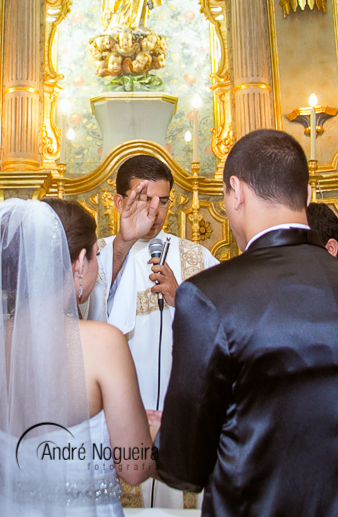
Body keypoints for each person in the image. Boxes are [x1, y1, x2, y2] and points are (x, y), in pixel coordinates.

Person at [156, 129, 338, 517]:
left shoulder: (209, 297)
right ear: (307, 195)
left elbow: (185, 466)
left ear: (236, 191)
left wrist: (161, 433)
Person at [0, 199, 154, 517]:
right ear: (79, 263)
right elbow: (134, 468)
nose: (98, 267)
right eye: (96, 255)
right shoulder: (104, 343)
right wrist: (154, 432)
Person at [82, 154, 219, 507]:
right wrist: (123, 245)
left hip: (181, 417)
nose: (156, 212)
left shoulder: (197, 258)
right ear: (118, 202)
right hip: (118, 419)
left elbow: (226, 333)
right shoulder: (96, 255)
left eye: (164, 201)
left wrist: (182, 299)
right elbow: (84, 318)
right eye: (144, 199)